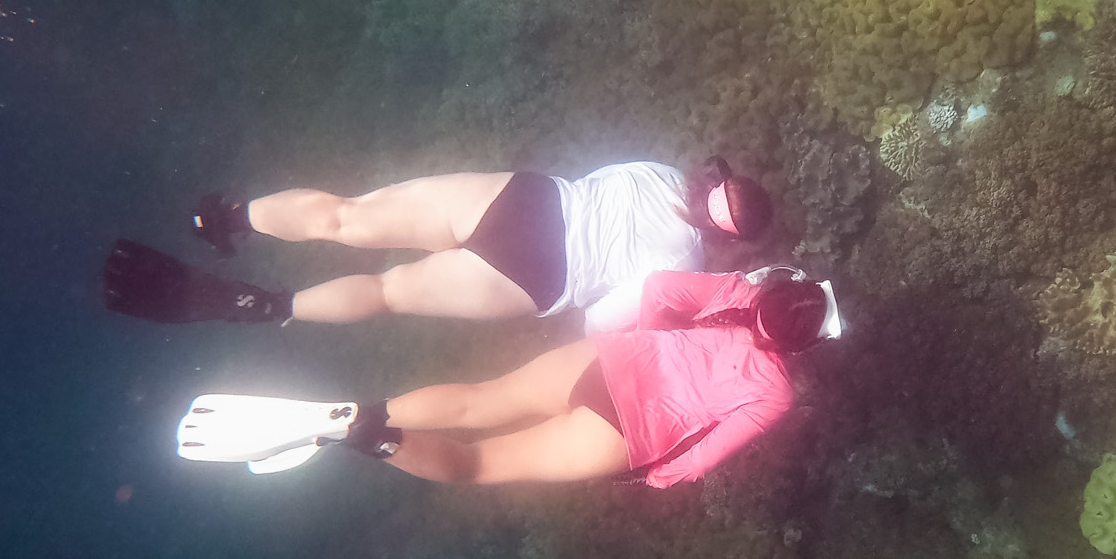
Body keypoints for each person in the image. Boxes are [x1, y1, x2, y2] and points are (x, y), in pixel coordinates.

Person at [174, 267, 843, 487]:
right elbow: (696, 463)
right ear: (807, 346)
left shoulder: (740, 291)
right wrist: (650, 475)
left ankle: (360, 406)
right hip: (631, 432)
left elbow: (664, 286)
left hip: (606, 360)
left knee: (476, 401)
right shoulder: (777, 392)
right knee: (478, 465)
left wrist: (642, 337)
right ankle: (364, 437)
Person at [103, 157, 773, 333]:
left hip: (531, 200)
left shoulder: (657, 172)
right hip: (547, 278)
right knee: (388, 293)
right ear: (727, 239)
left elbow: (595, 177)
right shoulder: (684, 265)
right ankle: (268, 306)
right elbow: (600, 321)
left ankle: (230, 216)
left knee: (349, 216)